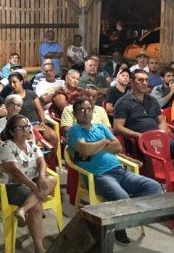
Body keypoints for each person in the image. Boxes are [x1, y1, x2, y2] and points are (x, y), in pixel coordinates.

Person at [68, 97, 162, 244]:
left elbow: (118, 147)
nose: (85, 113)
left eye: (88, 109)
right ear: (75, 114)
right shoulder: (74, 131)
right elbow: (85, 150)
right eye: (81, 110)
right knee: (123, 197)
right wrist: (105, 142)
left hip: (119, 171)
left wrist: (96, 147)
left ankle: (126, 213)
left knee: (154, 187)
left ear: (93, 111)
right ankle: (121, 224)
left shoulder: (101, 127)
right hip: (99, 176)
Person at [0, 115, 57, 253]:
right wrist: (34, 186)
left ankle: (23, 210)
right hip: (9, 186)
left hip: (31, 181)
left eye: (27, 127)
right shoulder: (6, 146)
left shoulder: (31, 145)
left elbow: (42, 162)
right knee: (37, 205)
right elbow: (15, 172)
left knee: (51, 180)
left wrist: (41, 176)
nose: (25, 130)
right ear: (11, 131)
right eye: (20, 127)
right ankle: (39, 249)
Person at [113, 70, 174, 168]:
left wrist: (163, 135)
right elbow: (118, 128)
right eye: (140, 80)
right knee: (154, 155)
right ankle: (154, 181)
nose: (144, 83)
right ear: (131, 82)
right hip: (139, 139)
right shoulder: (123, 102)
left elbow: (161, 121)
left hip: (158, 136)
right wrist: (140, 135)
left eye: (146, 80)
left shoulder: (152, 100)